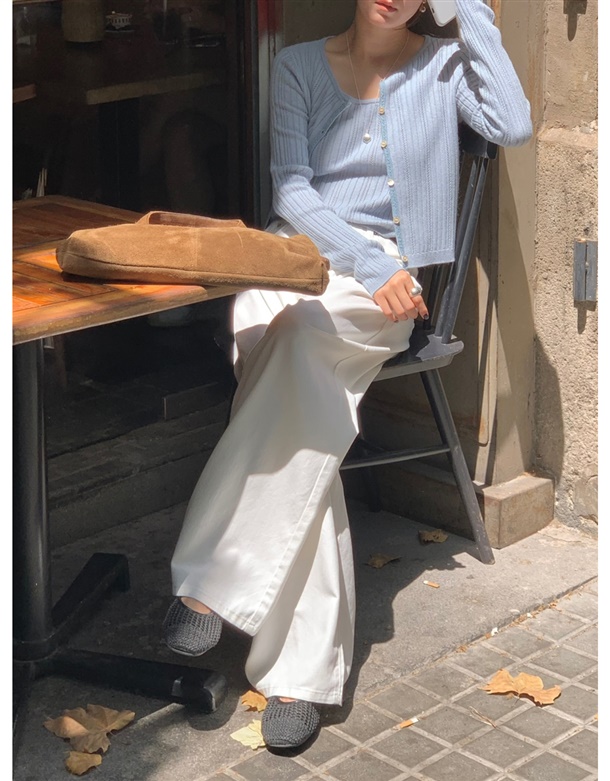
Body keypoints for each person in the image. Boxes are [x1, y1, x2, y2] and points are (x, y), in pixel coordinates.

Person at [161, 0, 532, 750]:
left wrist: (467, 9)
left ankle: (210, 580)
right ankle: (300, 674)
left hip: (388, 287)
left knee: (298, 350)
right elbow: (291, 191)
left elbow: (514, 124)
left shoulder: (444, 67)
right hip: (296, 260)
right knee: (300, 391)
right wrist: (361, 256)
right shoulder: (298, 65)